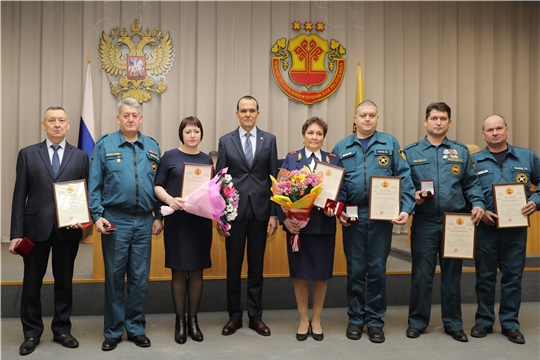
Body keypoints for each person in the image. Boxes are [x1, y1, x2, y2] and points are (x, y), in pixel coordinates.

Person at [331, 100, 416, 343]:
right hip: (353, 216)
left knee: (377, 270)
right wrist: (339, 211)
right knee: (356, 270)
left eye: (372, 115)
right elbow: (334, 184)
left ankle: (376, 321)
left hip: (381, 217)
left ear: (377, 118)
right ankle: (356, 319)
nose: (367, 119)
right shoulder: (342, 146)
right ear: (354, 119)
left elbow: (405, 177)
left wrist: (407, 209)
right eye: (363, 115)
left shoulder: (390, 143)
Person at [9, 106, 89, 356]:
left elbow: (84, 195)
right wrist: (16, 233)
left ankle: (62, 330)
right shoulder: (27, 154)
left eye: (61, 120)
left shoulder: (81, 157)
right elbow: (19, 197)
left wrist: (83, 222)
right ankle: (31, 333)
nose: (57, 124)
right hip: (35, 229)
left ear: (67, 125)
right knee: (32, 282)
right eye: (51, 120)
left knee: (64, 282)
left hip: (68, 229)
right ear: (43, 125)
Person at [404, 102, 485, 342]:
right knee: (421, 274)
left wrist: (478, 203)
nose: (438, 122)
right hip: (425, 221)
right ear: (425, 122)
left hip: (455, 222)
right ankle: (417, 321)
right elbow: (405, 186)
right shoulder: (411, 152)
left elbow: (471, 183)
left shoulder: (461, 151)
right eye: (434, 118)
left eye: (443, 118)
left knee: (452, 275)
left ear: (450, 122)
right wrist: (413, 197)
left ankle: (453, 323)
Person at [88, 98, 163, 351]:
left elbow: (159, 187)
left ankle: (135, 328)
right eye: (126, 115)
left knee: (140, 279)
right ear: (118, 119)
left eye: (135, 115)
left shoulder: (152, 146)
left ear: (140, 119)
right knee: (115, 278)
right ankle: (113, 331)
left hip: (144, 221)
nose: (131, 119)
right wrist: (97, 216)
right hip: (115, 221)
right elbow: (94, 184)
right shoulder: (104, 145)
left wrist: (159, 216)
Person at [470, 114, 540, 344]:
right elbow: (467, 189)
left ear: (507, 130)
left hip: (515, 230)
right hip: (486, 228)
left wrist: (537, 200)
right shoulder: (474, 161)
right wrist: (480, 207)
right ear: (483, 134)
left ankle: (510, 323)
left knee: (512, 277)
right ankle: (484, 321)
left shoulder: (527, 157)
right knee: (485, 277)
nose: (495, 133)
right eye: (490, 130)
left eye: (499, 128)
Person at [216, 95, 278, 336]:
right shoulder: (225, 141)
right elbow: (220, 180)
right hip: (234, 214)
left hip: (261, 212)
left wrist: (274, 214)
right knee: (233, 267)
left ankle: (255, 317)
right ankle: (234, 317)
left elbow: (273, 179)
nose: (248, 114)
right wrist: (221, 215)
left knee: (256, 267)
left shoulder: (269, 140)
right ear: (237, 113)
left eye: (252, 110)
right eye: (243, 110)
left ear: (258, 113)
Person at [277, 117, 341, 341]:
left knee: (321, 274)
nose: (315, 137)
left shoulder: (332, 159)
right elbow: (278, 191)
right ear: (303, 134)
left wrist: (334, 208)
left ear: (324, 137)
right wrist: (284, 220)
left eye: (319, 133)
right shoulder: (292, 158)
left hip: (323, 225)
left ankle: (317, 319)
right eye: (311, 133)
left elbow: (340, 192)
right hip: (298, 227)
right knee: (301, 274)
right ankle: (303, 319)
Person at [154, 117, 214, 344]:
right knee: (179, 271)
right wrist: (169, 199)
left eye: (196, 131)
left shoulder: (206, 158)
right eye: (188, 131)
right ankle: (179, 321)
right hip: (178, 221)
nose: (192, 135)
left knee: (197, 271)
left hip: (199, 221)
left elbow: (212, 190)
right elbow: (157, 185)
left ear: (201, 134)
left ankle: (193, 321)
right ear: (181, 134)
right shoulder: (170, 156)